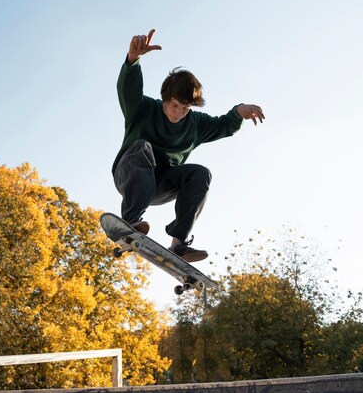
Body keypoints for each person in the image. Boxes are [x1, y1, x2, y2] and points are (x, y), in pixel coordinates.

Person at [112, 29, 265, 262]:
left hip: (160, 186)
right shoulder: (142, 109)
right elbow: (128, 90)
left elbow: (223, 125)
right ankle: (130, 221)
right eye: (175, 105)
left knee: (201, 173)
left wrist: (238, 111)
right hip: (130, 174)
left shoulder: (195, 123)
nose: (180, 113)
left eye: (186, 108)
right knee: (144, 147)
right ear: (165, 99)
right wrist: (133, 59)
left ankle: (178, 244)